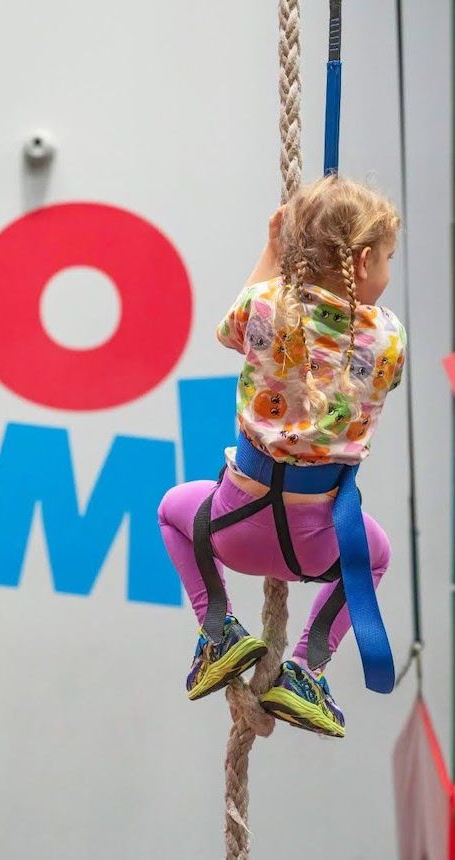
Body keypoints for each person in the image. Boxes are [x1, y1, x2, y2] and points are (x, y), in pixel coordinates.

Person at [157, 174, 406, 738]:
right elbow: (377, 378)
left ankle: (217, 627)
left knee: (173, 509)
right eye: (387, 259)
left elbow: (228, 332)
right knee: (376, 555)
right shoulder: (389, 337)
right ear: (363, 261)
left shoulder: (265, 305)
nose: (388, 271)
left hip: (235, 530)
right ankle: (307, 668)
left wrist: (272, 252)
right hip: (317, 547)